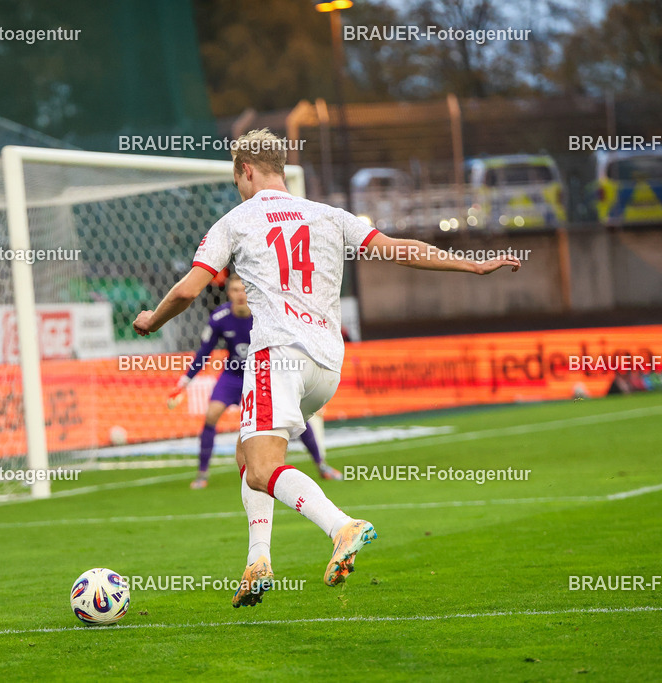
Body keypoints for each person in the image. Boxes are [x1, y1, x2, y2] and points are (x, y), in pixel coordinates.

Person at [133, 128, 520, 608]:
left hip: (277, 355)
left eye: (238, 178)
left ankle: (342, 526)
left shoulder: (235, 220)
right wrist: (471, 264)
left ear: (245, 171)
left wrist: (152, 319)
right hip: (327, 366)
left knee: (261, 467)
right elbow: (400, 248)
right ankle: (258, 562)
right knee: (246, 458)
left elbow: (190, 290)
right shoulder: (330, 216)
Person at [172, 273, 342, 489]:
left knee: (295, 415)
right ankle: (202, 474)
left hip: (264, 374)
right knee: (211, 414)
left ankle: (321, 465)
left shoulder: (266, 314)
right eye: (234, 290)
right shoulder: (219, 318)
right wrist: (186, 380)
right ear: (228, 293)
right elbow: (204, 352)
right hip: (233, 375)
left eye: (243, 289)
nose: (240, 294)